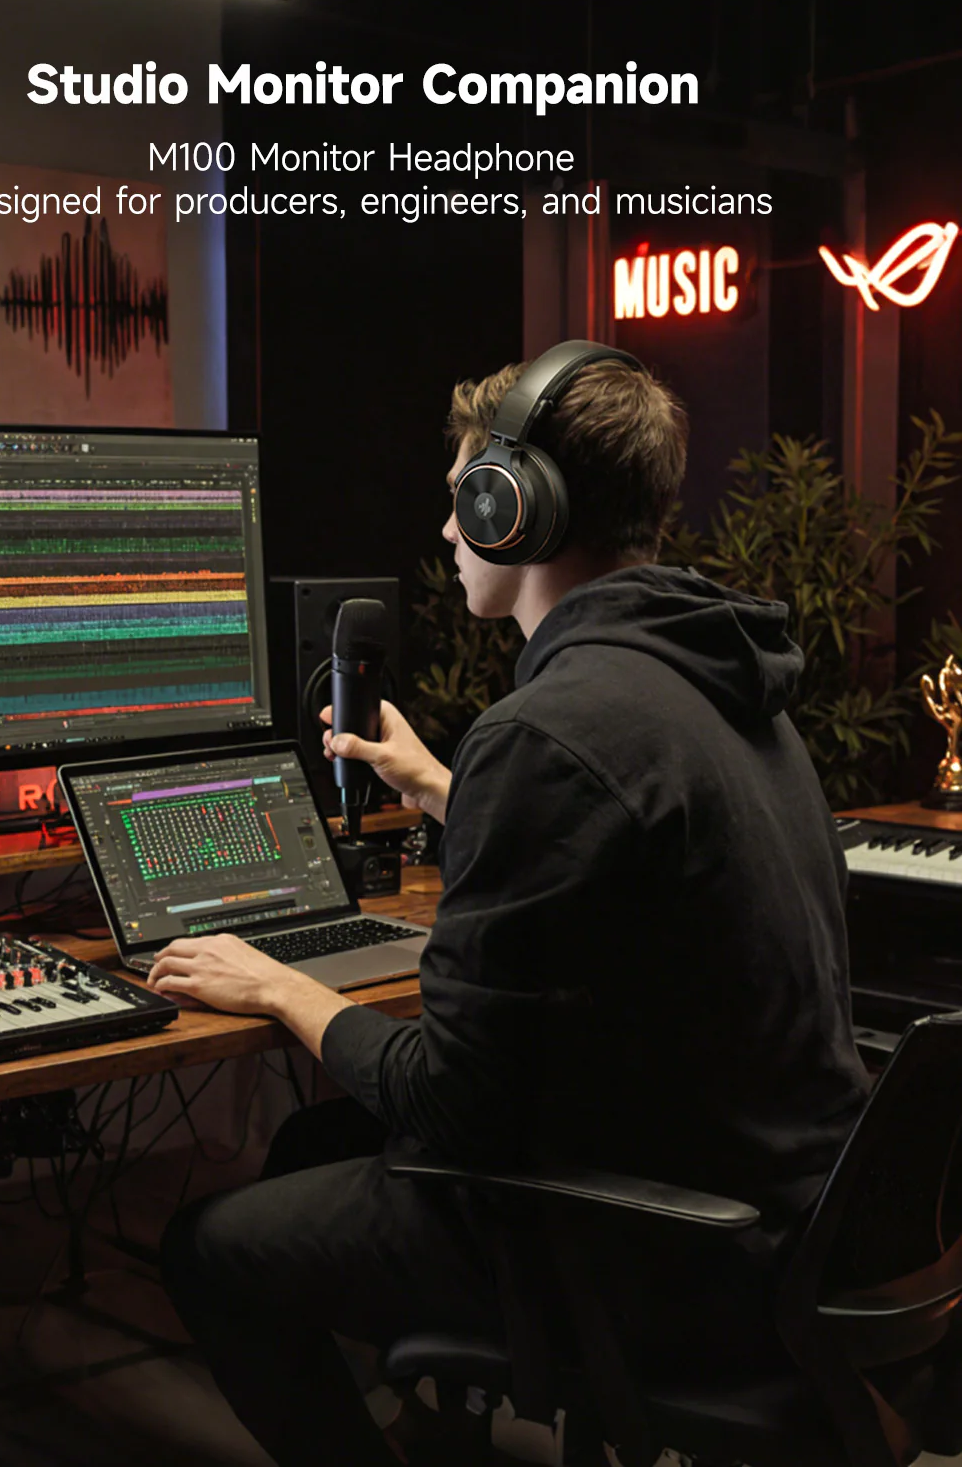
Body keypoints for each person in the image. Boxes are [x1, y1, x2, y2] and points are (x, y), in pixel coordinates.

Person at [151, 352, 871, 1467]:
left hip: (669, 1255)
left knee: (208, 1246)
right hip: (785, 1216)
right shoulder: (719, 682)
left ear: (513, 507)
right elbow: (637, 847)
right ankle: (432, 1422)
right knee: (311, 1141)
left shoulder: (549, 733)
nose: (449, 530)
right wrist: (452, 789)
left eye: (462, 498)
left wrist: (284, 990)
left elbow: (450, 1101)